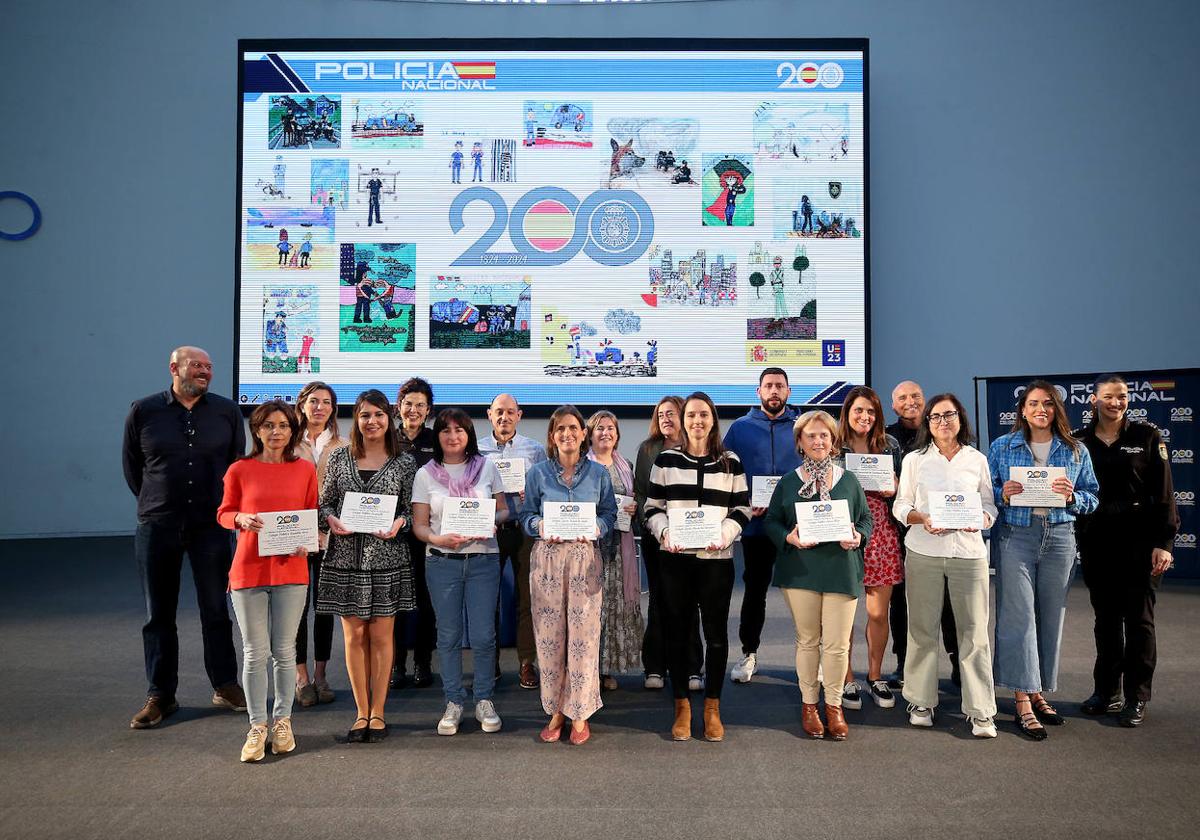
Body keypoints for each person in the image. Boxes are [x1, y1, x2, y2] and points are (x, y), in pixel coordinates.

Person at [123, 346, 247, 729]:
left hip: (211, 526)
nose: (205, 372)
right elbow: (134, 469)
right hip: (158, 525)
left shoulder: (226, 411)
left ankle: (225, 684)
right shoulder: (143, 410)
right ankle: (161, 694)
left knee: (216, 609)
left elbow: (235, 466)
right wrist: (159, 501)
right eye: (197, 366)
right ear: (174, 368)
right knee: (157, 614)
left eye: (209, 367)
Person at [989, 380, 1099, 740]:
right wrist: (1000, 493)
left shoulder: (1075, 449)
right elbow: (985, 492)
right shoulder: (1002, 446)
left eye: (1048, 404)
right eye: (1033, 403)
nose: (1041, 409)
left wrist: (1073, 498)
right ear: (1022, 410)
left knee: (1050, 617)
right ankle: (1021, 699)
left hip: (1060, 538)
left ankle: (1038, 690)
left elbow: (1092, 496)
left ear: (1056, 410)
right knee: (1018, 615)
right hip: (1015, 537)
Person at [645, 392, 751, 742]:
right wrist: (664, 533)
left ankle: (712, 707)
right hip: (675, 561)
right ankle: (681, 707)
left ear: (713, 419)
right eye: (691, 415)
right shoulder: (666, 460)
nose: (697, 421)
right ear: (683, 419)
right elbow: (652, 508)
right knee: (677, 633)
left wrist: (725, 533)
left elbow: (742, 509)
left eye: (703, 415)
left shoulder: (731, 462)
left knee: (717, 637)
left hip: (716, 563)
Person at [1075, 374, 1179, 728]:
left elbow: (1164, 495)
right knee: (1105, 622)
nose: (1116, 402)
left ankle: (1137, 697)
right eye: (1109, 396)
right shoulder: (1078, 441)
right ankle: (1107, 692)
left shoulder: (1147, 437)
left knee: (1139, 623)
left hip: (1140, 544)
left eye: (1122, 396)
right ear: (1094, 399)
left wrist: (1163, 544)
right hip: (1097, 542)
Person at [892, 393, 998, 738]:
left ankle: (980, 710)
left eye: (948, 415)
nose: (942, 422)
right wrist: (921, 518)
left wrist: (980, 519)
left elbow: (989, 507)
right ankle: (921, 700)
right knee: (922, 631)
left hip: (969, 554)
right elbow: (901, 505)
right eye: (935, 417)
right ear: (927, 423)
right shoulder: (915, 460)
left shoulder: (976, 459)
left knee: (974, 633)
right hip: (924, 551)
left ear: (960, 418)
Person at [217, 401, 317, 761]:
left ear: (293, 432)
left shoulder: (305, 470)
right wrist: (239, 518)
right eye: (269, 425)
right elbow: (223, 513)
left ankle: (283, 721)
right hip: (249, 570)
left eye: (284, 426)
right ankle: (257, 725)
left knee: (285, 651)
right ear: (256, 430)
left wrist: (311, 540)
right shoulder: (240, 469)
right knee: (255, 653)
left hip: (291, 569)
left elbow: (310, 515)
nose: (277, 432)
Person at [765, 410, 872, 740]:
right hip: (801, 572)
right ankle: (810, 704)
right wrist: (789, 537)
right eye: (811, 435)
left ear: (833, 440)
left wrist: (858, 537)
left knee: (838, 646)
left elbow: (865, 520)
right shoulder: (788, 482)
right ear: (800, 442)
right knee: (809, 641)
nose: (818, 440)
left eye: (824, 435)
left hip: (841, 571)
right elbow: (771, 522)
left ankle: (834, 705)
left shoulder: (849, 480)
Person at [317, 389, 416, 743]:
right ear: (356, 420)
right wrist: (331, 520)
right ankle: (361, 712)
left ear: (389, 419)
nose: (371, 421)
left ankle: (379, 713)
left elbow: (409, 508)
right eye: (364, 415)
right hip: (344, 558)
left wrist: (399, 524)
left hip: (387, 559)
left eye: (378, 414)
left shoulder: (404, 462)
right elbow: (323, 503)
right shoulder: (339, 458)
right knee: (354, 635)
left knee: (380, 635)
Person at [519, 405, 617, 745]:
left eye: (574, 428)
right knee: (550, 641)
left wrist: (597, 526)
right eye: (560, 428)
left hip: (583, 563)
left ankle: (579, 711)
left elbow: (609, 513)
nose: (567, 434)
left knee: (582, 642)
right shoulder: (538, 474)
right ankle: (556, 709)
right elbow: (526, 515)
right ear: (552, 435)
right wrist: (539, 524)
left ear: (583, 433)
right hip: (547, 562)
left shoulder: (599, 475)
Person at [411, 408, 508, 736]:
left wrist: (490, 521)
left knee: (483, 636)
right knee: (448, 636)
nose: (453, 436)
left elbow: (504, 509)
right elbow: (420, 526)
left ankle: (483, 699)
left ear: (469, 435)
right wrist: (439, 538)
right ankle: (453, 701)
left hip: (483, 561)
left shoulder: (487, 468)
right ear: (437, 436)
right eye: (446, 430)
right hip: (442, 562)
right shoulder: (425, 474)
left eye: (460, 430)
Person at [723, 368, 801, 685]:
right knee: (755, 593)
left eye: (779, 386)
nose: (773, 391)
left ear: (788, 391)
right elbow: (726, 472)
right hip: (756, 528)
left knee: (802, 594)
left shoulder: (802, 426)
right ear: (758, 392)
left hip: (796, 528)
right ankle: (748, 653)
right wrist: (742, 503)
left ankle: (810, 657)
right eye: (768, 386)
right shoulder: (740, 429)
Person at [885, 380, 959, 691]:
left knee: (949, 600)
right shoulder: (885, 439)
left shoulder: (943, 434)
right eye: (902, 397)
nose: (910, 401)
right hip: (899, 529)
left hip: (945, 531)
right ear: (894, 405)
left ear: (924, 401)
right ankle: (904, 662)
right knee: (902, 602)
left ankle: (957, 660)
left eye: (915, 396)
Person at [835, 386, 904, 710]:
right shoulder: (834, 446)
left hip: (881, 533)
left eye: (871, 412)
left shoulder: (889, 445)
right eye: (859, 410)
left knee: (878, 613)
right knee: (844, 614)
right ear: (847, 413)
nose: (865, 417)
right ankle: (846, 678)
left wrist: (895, 489)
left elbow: (905, 493)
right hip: (841, 534)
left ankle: (875, 676)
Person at [634, 396, 703, 691]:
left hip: (692, 537)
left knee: (690, 601)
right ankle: (654, 667)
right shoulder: (648, 449)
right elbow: (640, 493)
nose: (665, 419)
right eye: (660, 414)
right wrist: (657, 526)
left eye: (671, 413)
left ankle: (692, 669)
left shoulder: (696, 448)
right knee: (659, 600)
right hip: (657, 537)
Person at [480, 393, 547, 689]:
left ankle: (525, 664)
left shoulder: (534, 450)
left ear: (519, 415)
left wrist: (529, 494)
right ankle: (489, 664)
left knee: (527, 600)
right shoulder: (478, 449)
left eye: (510, 412)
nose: (504, 417)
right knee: (487, 600)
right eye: (499, 412)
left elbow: (546, 490)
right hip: (490, 531)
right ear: (489, 415)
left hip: (524, 532)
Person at [293, 381, 348, 708]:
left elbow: (345, 492)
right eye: (314, 401)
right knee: (297, 608)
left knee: (325, 607)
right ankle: (301, 677)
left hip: (331, 534)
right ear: (302, 404)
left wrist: (330, 528)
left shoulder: (342, 445)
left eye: (326, 402)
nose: (319, 407)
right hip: (294, 538)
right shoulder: (287, 442)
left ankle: (321, 674)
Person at [586, 411, 646, 689]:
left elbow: (630, 502)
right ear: (590, 433)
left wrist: (632, 509)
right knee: (590, 609)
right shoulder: (582, 465)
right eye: (599, 428)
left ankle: (606, 668)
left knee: (613, 609)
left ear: (617, 435)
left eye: (611, 428)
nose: (605, 433)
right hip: (590, 548)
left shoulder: (626, 465)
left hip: (619, 549)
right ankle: (587, 669)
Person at [391, 378, 437, 691]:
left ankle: (423, 662)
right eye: (409, 404)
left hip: (426, 531)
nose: (414, 410)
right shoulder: (386, 438)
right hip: (392, 533)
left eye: (420, 405)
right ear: (399, 407)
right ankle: (396, 664)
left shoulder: (437, 440)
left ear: (428, 409)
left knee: (425, 599)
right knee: (394, 600)